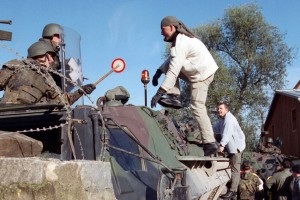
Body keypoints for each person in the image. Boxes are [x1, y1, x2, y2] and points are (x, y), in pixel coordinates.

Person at [151, 16, 219, 156]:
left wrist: (160, 92)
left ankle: (210, 143)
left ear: (171, 27)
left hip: (202, 76)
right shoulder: (179, 41)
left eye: (163, 30)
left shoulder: (182, 42)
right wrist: (158, 71)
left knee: (197, 107)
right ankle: (175, 96)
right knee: (172, 66)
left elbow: (174, 70)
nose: (161, 33)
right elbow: (172, 60)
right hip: (198, 71)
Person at [0, 41, 95, 105]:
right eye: (49, 56)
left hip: (28, 120)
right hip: (7, 115)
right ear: (40, 54)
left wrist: (80, 91)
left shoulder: (47, 79)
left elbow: (63, 100)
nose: (51, 61)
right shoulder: (16, 65)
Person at [212, 102, 246, 199]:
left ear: (226, 109)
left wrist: (222, 145)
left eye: (221, 108)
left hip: (236, 148)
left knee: (235, 169)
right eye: (218, 108)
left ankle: (233, 191)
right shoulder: (222, 120)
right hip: (230, 148)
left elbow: (227, 133)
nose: (219, 110)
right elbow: (214, 128)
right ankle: (228, 187)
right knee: (229, 167)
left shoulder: (229, 119)